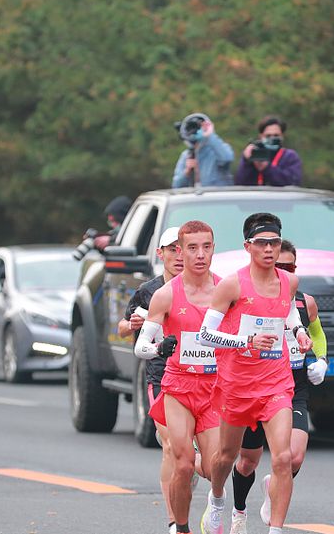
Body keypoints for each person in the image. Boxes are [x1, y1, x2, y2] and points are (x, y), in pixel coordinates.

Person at [197, 213, 312, 534]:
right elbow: (206, 335)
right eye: (261, 243)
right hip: (237, 384)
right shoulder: (232, 284)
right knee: (225, 456)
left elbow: (287, 309)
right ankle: (217, 497)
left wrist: (299, 332)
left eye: (274, 242)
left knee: (283, 458)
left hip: (276, 382)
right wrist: (246, 341)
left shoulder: (288, 281)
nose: (269, 249)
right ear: (248, 246)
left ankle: (275, 529)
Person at [229, 240, 328, 534]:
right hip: (257, 384)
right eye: (279, 266)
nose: (284, 272)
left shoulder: (304, 302)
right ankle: (238, 510)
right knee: (247, 461)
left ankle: (275, 488)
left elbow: (318, 333)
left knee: (291, 457)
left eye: (290, 267)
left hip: (293, 386)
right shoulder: (248, 296)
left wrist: (321, 359)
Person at [135, 221, 222, 534]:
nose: (200, 255)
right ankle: (180, 527)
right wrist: (161, 347)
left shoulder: (226, 291)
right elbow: (141, 346)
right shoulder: (164, 295)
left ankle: (215, 502)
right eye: (192, 248)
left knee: (214, 468)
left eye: (206, 247)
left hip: (214, 389)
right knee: (182, 460)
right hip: (178, 386)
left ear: (214, 248)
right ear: (181, 252)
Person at [117, 226, 183, 532]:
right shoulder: (149, 291)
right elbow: (121, 327)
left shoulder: (209, 290)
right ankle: (174, 523)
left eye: (184, 248)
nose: (180, 256)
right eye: (173, 250)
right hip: (160, 374)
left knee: (202, 460)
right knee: (171, 447)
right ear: (161, 254)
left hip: (202, 378)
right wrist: (132, 324)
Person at [234, 116, 303, 187]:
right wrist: (246, 162)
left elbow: (292, 183)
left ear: (282, 136)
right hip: (254, 196)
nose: (272, 139)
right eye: (268, 136)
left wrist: (267, 168)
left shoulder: (290, 156)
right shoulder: (253, 153)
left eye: (276, 135)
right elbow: (240, 183)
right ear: (261, 136)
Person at [172, 113, 235, 188]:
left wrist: (209, 135)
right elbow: (176, 186)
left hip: (218, 197)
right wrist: (187, 171)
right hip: (196, 198)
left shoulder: (216, 150)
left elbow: (227, 158)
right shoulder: (186, 156)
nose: (195, 131)